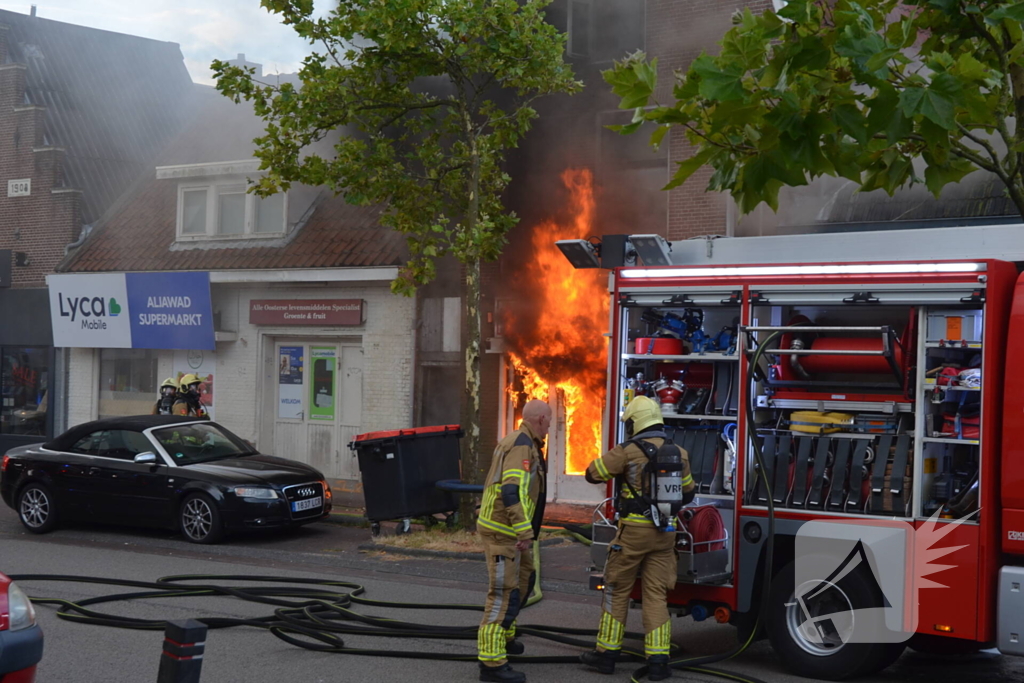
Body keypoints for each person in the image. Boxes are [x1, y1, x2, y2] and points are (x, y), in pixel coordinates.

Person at [579, 395, 695, 681]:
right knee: (656, 595)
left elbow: (592, 474)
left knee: (617, 589)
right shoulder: (678, 452)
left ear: (636, 422)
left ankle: (606, 655)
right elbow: (689, 492)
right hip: (666, 533)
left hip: (633, 532)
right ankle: (658, 662)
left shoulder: (628, 450)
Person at [476, 399, 552, 683]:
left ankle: (505, 637)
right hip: (503, 533)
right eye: (550, 421)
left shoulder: (524, 442)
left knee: (524, 582)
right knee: (503, 594)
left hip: (511, 532)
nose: (549, 428)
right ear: (541, 418)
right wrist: (523, 531)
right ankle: (492, 664)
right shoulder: (521, 445)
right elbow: (511, 492)